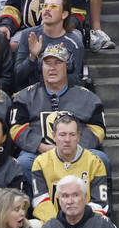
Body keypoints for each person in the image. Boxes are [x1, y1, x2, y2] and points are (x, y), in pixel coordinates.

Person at [10, 47, 107, 177]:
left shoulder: (88, 98)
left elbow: (97, 129)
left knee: (101, 160)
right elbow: (17, 128)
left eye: (58, 63)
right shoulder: (24, 97)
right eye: (47, 63)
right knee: (23, 163)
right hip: (37, 153)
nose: (52, 68)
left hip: (78, 151)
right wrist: (41, 147)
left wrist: (72, 148)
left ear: (68, 66)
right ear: (41, 67)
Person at [30, 112, 108, 223]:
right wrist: (58, 224)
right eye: (62, 134)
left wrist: (80, 222)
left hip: (86, 224)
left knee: (108, 226)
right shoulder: (41, 162)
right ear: (54, 136)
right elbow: (40, 200)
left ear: (78, 136)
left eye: (72, 134)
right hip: (53, 224)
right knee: (34, 226)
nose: (67, 139)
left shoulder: (95, 162)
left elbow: (99, 203)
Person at [10, 0, 82, 91]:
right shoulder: (29, 35)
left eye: (53, 6)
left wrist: (60, 61)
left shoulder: (74, 42)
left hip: (63, 96)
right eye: (45, 6)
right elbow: (18, 77)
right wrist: (32, 57)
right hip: (31, 95)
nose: (47, 9)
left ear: (64, 14)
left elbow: (75, 81)